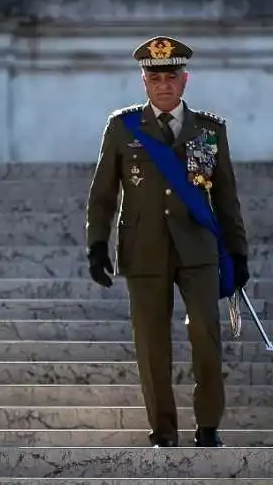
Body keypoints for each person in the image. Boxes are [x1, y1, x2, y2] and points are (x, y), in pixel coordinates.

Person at [85, 36, 249, 448]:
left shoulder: (210, 130)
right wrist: (96, 245)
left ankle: (208, 425)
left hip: (198, 250)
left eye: (171, 76)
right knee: (151, 345)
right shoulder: (122, 128)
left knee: (206, 336)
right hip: (144, 250)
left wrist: (239, 251)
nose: (163, 84)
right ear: (144, 80)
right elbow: (103, 194)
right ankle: (163, 430)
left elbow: (226, 197)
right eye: (155, 76)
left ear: (185, 80)